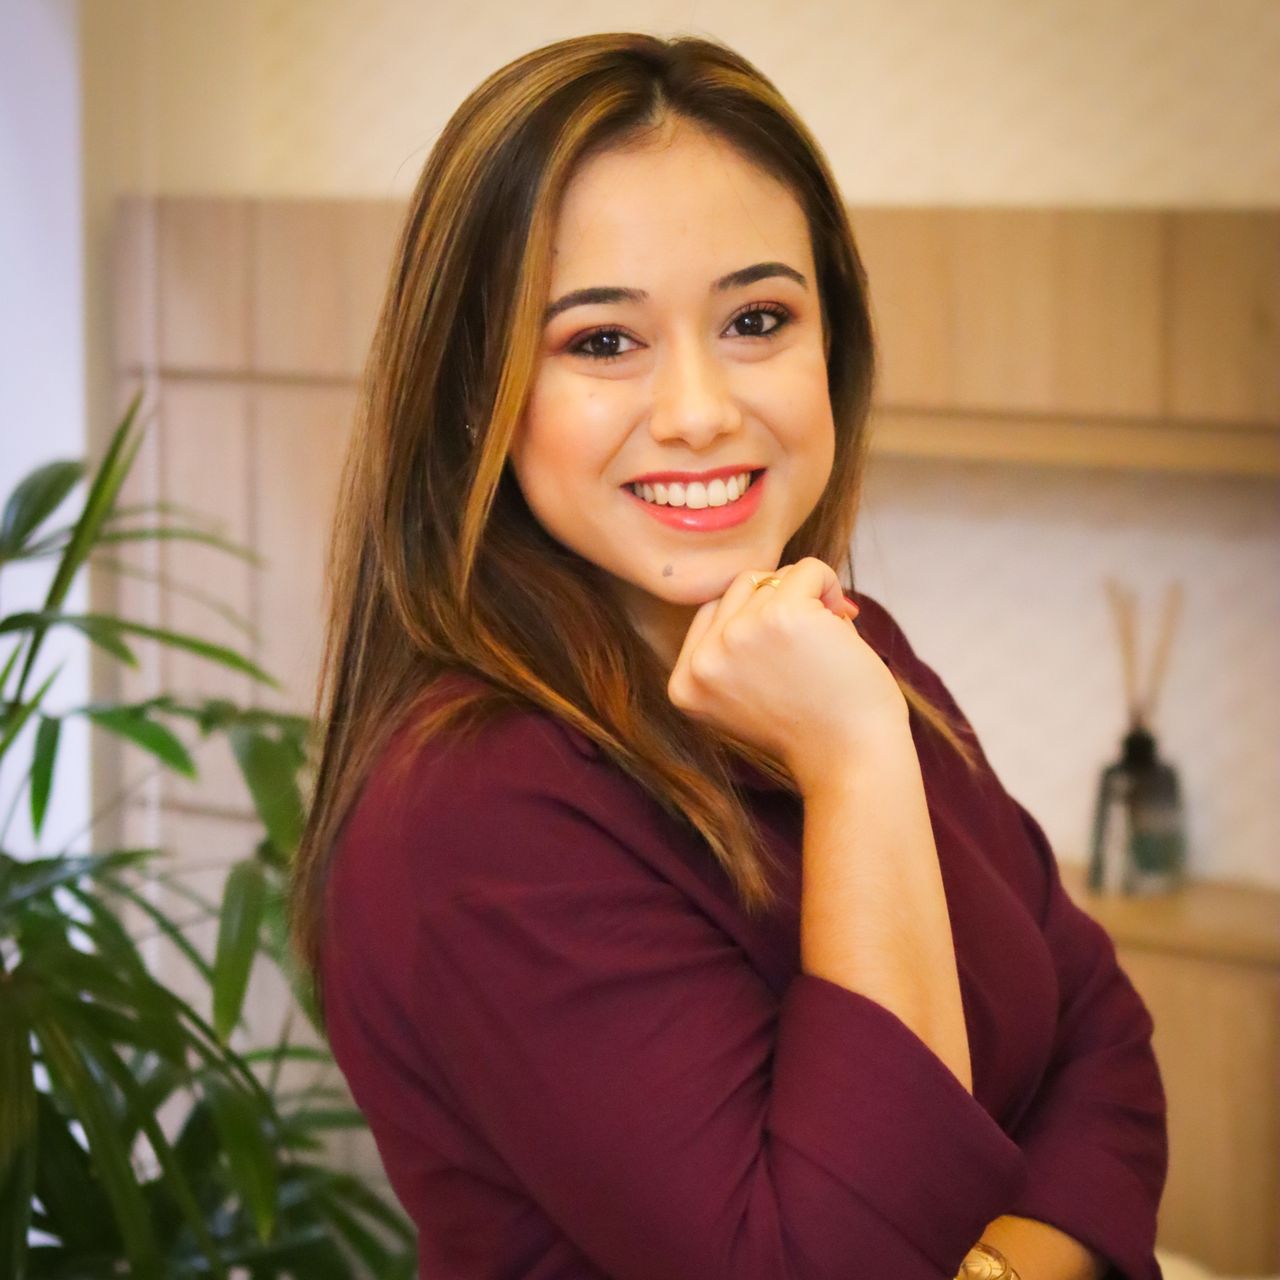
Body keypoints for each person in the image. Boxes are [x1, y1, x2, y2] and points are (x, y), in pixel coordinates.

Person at [289, 32, 1167, 1280]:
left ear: (831, 344)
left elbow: (1101, 1043)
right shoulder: (473, 811)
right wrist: (853, 765)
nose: (700, 411)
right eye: (601, 341)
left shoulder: (842, 651)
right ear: (474, 391)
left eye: (756, 319)